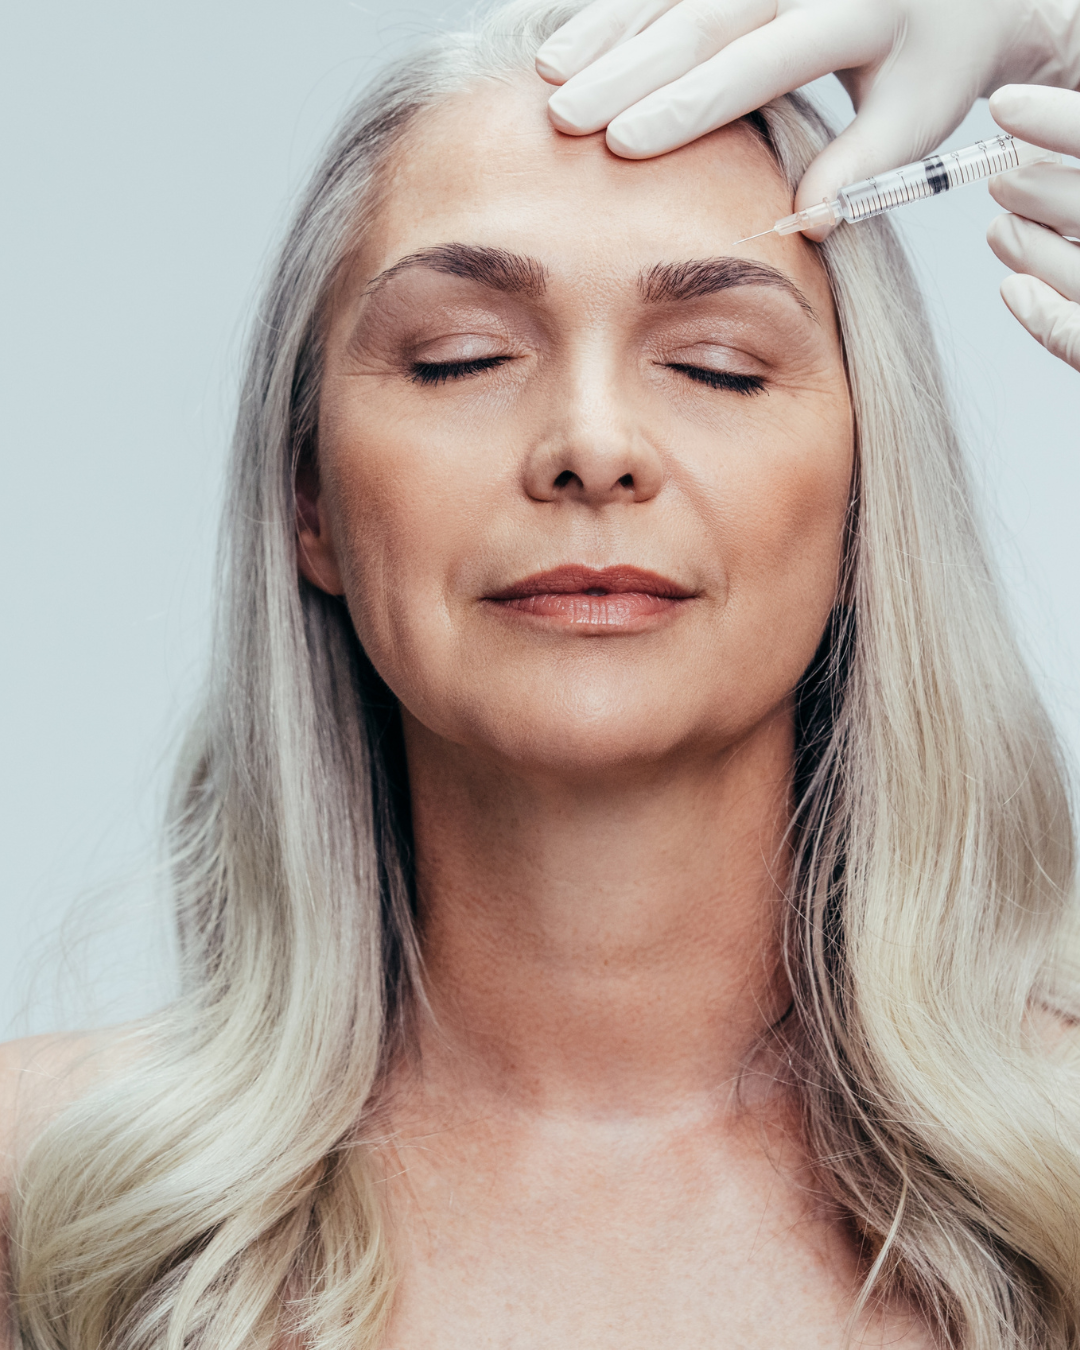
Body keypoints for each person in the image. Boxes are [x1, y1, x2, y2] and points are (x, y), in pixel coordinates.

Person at [2, 1, 1080, 1347]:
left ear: (871, 501)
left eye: (718, 365)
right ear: (310, 498)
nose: (590, 443)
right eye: (462, 356)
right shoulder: (41, 1207)